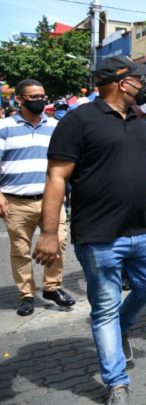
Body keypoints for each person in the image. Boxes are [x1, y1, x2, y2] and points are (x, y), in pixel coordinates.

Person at [33, 55, 146, 404]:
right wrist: (49, 233)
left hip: (143, 231)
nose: (144, 85)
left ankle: (119, 326)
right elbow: (56, 177)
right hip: (98, 236)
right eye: (139, 79)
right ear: (122, 83)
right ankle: (116, 382)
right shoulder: (78, 121)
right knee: (104, 308)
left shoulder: (140, 123)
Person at [0, 79, 73, 317]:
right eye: (34, 97)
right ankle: (27, 294)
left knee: (59, 240)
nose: (40, 100)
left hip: (52, 199)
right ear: (20, 99)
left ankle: (52, 287)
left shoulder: (55, 126)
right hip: (16, 201)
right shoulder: (4, 127)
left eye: (42, 96)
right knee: (20, 249)